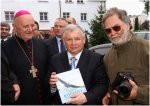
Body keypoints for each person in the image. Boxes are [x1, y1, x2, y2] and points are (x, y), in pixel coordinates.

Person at [49, 24, 109, 105]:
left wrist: (86, 97)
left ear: (84, 40)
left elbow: (102, 85)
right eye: (69, 39)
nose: (73, 43)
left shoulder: (96, 59)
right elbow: (49, 88)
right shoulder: (55, 60)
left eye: (77, 39)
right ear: (64, 42)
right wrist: (52, 86)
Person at [1, 10, 51, 105]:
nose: (30, 29)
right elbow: (5, 71)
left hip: (44, 98)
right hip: (20, 99)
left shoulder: (42, 44)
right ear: (15, 27)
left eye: (32, 25)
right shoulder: (4, 47)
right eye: (25, 26)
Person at [102, 7, 149, 105]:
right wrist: (108, 94)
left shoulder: (146, 49)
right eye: (108, 31)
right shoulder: (107, 57)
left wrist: (138, 94)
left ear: (128, 24)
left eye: (116, 28)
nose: (113, 33)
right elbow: (111, 85)